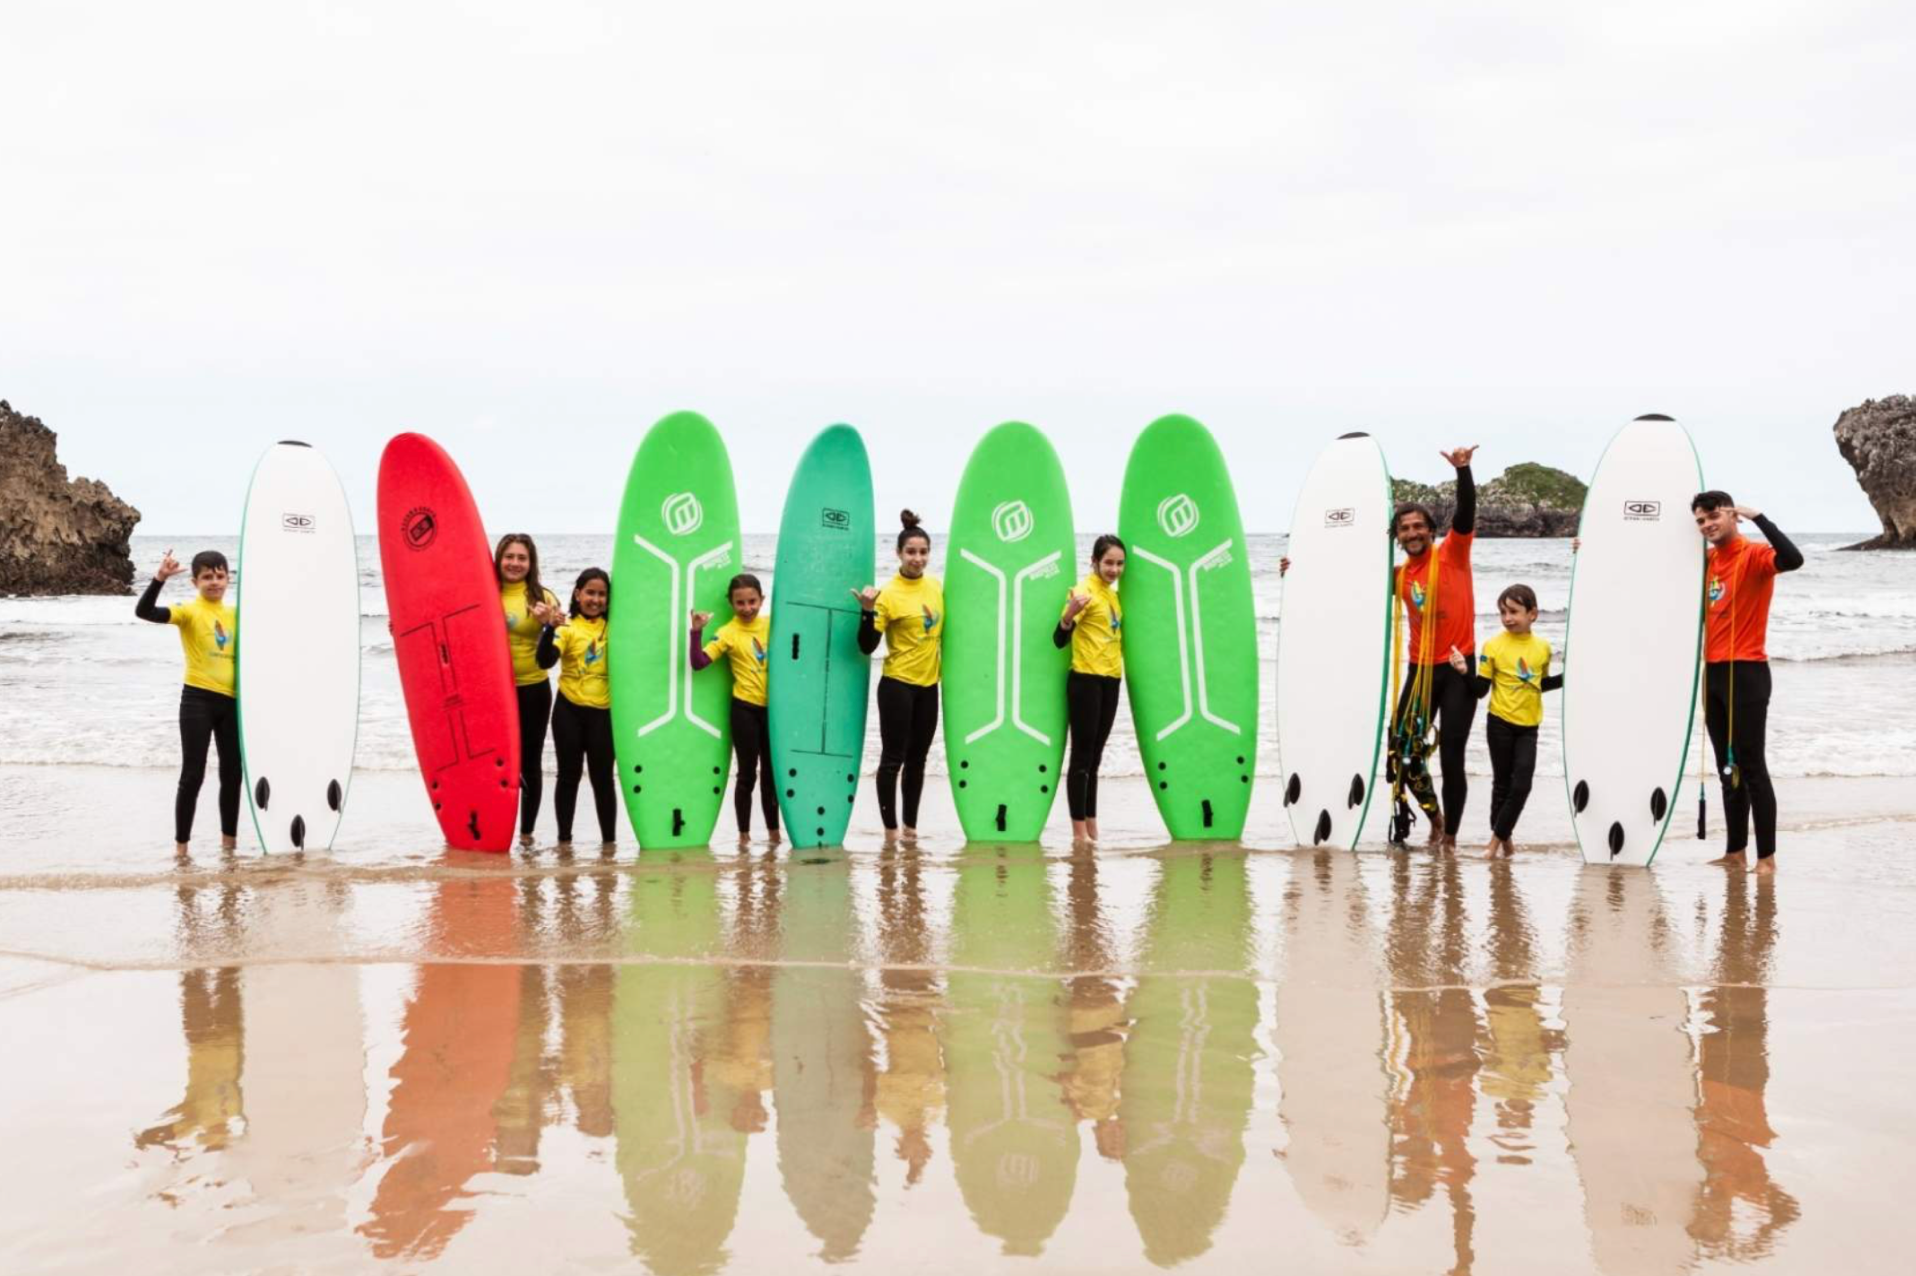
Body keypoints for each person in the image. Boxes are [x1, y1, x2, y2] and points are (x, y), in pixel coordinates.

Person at [1693, 492, 1803, 875]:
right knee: (1728, 767)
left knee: (1752, 766)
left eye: (1712, 517)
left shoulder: (1755, 555)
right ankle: (1735, 852)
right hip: (1715, 674)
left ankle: (1767, 859)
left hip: (1748, 671)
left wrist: (1760, 517)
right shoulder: (1705, 562)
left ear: (1731, 515)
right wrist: (1587, 551)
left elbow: (1793, 559)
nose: (1707, 525)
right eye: (1700, 521)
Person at [135, 547, 239, 856]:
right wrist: (159, 579)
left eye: (220, 576)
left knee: (233, 774)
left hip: (233, 703)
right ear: (195, 582)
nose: (214, 582)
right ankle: (181, 849)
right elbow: (144, 612)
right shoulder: (188, 612)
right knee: (193, 774)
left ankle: (229, 846)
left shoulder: (238, 614)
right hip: (198, 701)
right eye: (207, 577)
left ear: (228, 579)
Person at [1447, 583, 1561, 857]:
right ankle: (1503, 844)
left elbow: (1539, 684)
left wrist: (1570, 676)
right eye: (1502, 612)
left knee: (1522, 784)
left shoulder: (1543, 648)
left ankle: (1495, 842)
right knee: (1502, 785)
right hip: (1499, 723)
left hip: (1529, 726)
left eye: (1513, 611)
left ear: (1532, 614)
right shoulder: (1493, 646)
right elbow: (1481, 690)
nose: (1507, 618)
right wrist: (1464, 671)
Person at [854, 510, 945, 846]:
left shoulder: (936, 587)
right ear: (898, 554)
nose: (917, 559)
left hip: (928, 686)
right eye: (911, 552)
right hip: (897, 686)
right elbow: (867, 645)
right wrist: (866, 611)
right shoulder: (888, 594)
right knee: (893, 759)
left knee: (918, 760)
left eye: (923, 552)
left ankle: (911, 828)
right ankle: (890, 830)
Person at [691, 573, 781, 846]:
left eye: (752, 601)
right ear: (731, 603)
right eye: (740, 603)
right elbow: (698, 662)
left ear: (762, 600)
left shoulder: (773, 625)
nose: (747, 608)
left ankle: (774, 834)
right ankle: (744, 836)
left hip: (775, 712)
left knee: (771, 775)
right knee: (747, 774)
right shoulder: (728, 633)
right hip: (745, 710)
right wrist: (696, 632)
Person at [536, 568, 616, 851]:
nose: (595, 599)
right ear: (577, 594)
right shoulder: (567, 627)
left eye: (601, 594)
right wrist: (549, 628)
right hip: (568, 710)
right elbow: (545, 661)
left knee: (603, 779)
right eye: (590, 593)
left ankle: (609, 844)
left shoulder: (615, 628)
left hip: (603, 713)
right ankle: (564, 842)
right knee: (568, 776)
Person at [1055, 534, 1125, 847]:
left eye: (1119, 563)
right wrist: (1069, 614)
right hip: (1085, 680)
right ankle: (1078, 832)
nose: (1114, 569)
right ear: (1094, 561)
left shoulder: (1113, 596)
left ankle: (1092, 827)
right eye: (1108, 562)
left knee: (1095, 759)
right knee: (1081, 759)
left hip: (1111, 679)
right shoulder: (1082, 592)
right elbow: (1058, 639)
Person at [496, 533, 561, 848]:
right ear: (499, 558)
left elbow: (556, 650)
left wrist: (549, 624)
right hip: (493, 692)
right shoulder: (484, 591)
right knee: (495, 761)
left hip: (533, 689)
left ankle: (526, 833)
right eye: (509, 556)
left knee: (530, 761)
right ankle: (496, 826)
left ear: (531, 563)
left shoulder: (543, 598)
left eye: (522, 558)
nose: (515, 563)